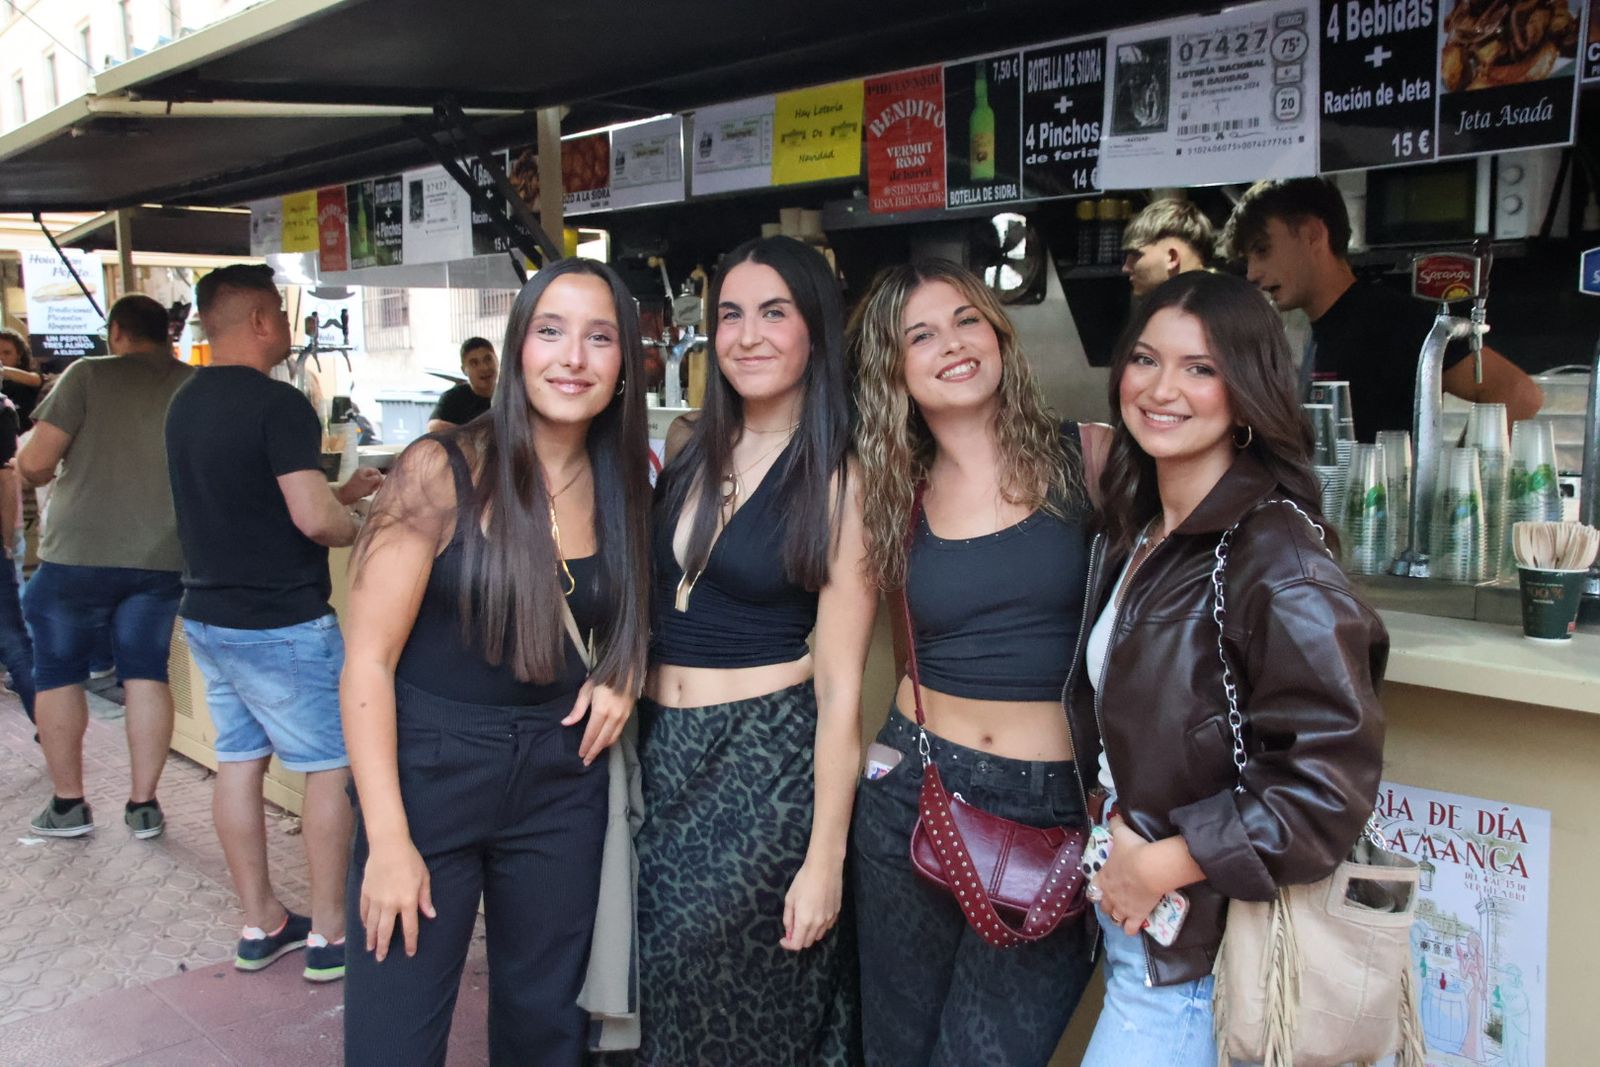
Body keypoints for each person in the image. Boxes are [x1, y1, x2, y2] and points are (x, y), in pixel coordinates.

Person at [1070, 270, 1386, 1066]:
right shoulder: (1141, 527)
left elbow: (1327, 784)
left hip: (1201, 955)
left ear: (1246, 392)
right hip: (1143, 929)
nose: (1162, 388)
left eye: (1200, 368)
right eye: (1146, 360)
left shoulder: (1272, 552)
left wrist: (1162, 863)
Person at [341, 258, 651, 1067]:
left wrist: (623, 671)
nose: (572, 358)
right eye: (550, 332)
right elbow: (366, 663)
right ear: (517, 349)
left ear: (626, 365)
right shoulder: (440, 469)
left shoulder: (625, 484)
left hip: (562, 775)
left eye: (599, 337)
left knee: (546, 1029)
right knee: (393, 1039)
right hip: (431, 769)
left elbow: (630, 613)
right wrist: (387, 841)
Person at [847, 258, 1106, 1066]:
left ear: (998, 332)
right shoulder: (889, 488)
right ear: (893, 370)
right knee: (894, 1046)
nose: (951, 344)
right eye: (919, 334)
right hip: (911, 789)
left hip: (1052, 805)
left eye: (966, 320)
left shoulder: (1092, 457)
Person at [636, 235, 873, 1066]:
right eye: (730, 315)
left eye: (775, 313)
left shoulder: (841, 478)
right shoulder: (689, 444)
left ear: (815, 329)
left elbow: (843, 692)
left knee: (741, 999)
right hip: (656, 756)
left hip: (763, 764)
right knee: (653, 989)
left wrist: (826, 860)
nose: (747, 335)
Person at [167, 264, 385, 982]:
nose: (290, 329)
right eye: (282, 316)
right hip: (282, 622)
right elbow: (313, 519)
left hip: (209, 618)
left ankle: (261, 922)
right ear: (261, 319)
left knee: (238, 761)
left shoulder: (184, 401)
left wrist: (335, 488)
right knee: (331, 764)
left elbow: (250, 494)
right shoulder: (279, 402)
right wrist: (362, 517)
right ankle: (328, 934)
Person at [19, 294, 193, 840]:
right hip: (163, 556)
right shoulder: (192, 383)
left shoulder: (87, 375)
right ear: (167, 333)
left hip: (78, 556)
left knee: (58, 672)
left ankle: (69, 805)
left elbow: (37, 462)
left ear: (117, 331)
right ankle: (144, 805)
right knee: (146, 672)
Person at [1222, 176, 1542, 441]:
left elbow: (1517, 393)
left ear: (1312, 235)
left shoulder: (1390, 318)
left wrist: (1455, 480)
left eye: (1262, 250)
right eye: (1248, 259)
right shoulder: (1312, 330)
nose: (1252, 273)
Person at [1122, 198, 1214, 298]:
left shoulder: (1217, 307)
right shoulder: (1223, 301)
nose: (1126, 268)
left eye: (1136, 254)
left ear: (1172, 257)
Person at [425, 337, 498, 432]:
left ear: (497, 360)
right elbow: (433, 427)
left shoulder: (511, 394)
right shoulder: (453, 398)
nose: (484, 367)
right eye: (474, 363)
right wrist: (471, 437)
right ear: (464, 370)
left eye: (488, 359)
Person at [0, 328, 45, 432]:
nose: (1, 357)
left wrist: (2, 370)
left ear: (19, 355)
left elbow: (34, 380)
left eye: (7, 353)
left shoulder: (31, 375)